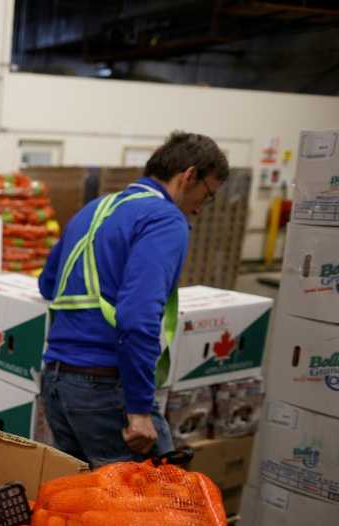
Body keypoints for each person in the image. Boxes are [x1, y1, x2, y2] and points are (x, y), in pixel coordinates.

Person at [38, 131, 229, 467]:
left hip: (57, 383)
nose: (200, 208)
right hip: (104, 388)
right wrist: (139, 409)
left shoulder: (94, 209)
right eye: (207, 194)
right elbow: (138, 317)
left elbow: (48, 284)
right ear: (189, 176)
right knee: (156, 493)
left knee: (82, 494)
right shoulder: (165, 219)